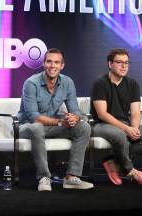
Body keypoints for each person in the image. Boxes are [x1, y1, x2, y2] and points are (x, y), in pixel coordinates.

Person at [18, 48, 94, 191]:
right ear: (44, 64)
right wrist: (60, 122)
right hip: (26, 127)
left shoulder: (67, 82)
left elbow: (75, 110)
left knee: (84, 127)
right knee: (36, 127)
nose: (52, 66)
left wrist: (74, 117)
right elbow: (33, 117)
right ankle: (44, 178)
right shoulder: (31, 83)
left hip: (51, 126)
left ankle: (71, 177)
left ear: (62, 65)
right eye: (49, 62)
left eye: (56, 62)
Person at [90, 48, 142, 185]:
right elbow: (102, 114)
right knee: (119, 134)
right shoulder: (100, 83)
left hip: (124, 123)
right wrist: (126, 129)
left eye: (126, 62)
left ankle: (113, 161)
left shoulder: (132, 84)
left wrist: (134, 128)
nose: (124, 66)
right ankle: (130, 170)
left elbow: (136, 112)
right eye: (119, 62)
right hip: (101, 124)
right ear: (110, 64)